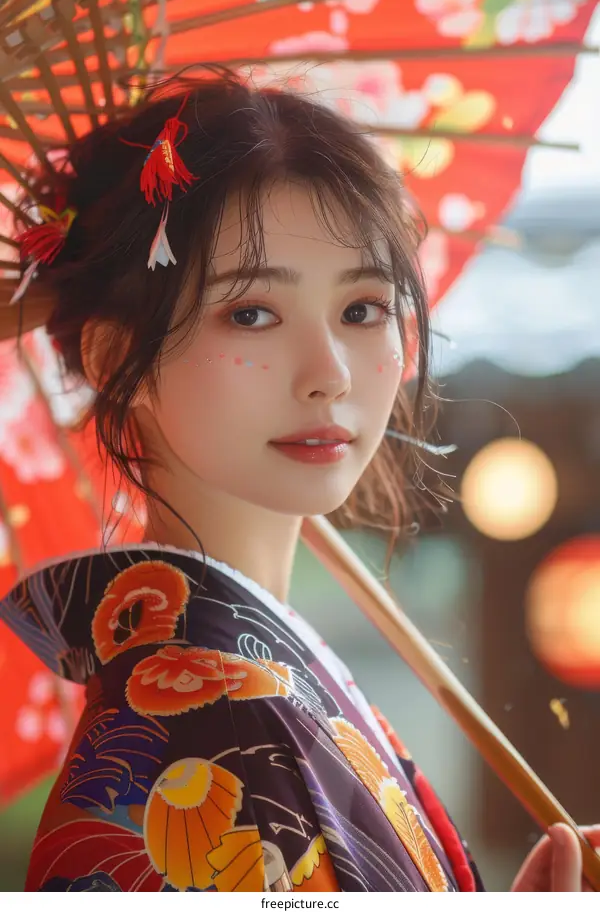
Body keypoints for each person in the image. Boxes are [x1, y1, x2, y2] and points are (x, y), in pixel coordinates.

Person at [0, 70, 597, 893]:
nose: (329, 376)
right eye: (251, 314)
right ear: (113, 359)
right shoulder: (210, 730)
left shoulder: (256, 689)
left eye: (362, 309)